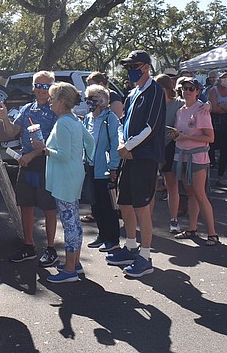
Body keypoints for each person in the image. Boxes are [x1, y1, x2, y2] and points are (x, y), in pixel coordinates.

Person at [105, 51, 166, 278]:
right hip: (129, 156)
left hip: (145, 157)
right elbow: (123, 123)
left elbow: (151, 126)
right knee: (125, 203)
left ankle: (146, 256)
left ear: (146, 67)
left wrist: (129, 146)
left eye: (135, 66)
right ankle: (131, 247)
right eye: (129, 66)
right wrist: (123, 144)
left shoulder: (155, 90)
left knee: (141, 206)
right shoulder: (132, 93)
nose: (131, 70)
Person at [31, 82, 96, 283]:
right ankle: (74, 263)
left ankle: (69, 270)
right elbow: (90, 142)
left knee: (69, 224)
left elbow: (63, 155)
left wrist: (44, 149)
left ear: (61, 101)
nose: (49, 101)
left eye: (52, 98)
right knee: (74, 221)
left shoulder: (63, 123)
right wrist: (85, 159)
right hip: (73, 175)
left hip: (65, 179)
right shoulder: (75, 120)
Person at [0, 71, 60, 267]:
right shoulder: (26, 109)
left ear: (52, 88)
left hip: (46, 163)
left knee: (49, 208)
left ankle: (51, 249)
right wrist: (4, 118)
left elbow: (54, 144)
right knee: (26, 205)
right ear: (33, 87)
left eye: (46, 86)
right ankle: (28, 246)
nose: (41, 90)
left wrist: (31, 155)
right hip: (26, 164)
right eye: (38, 86)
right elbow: (11, 132)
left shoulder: (55, 110)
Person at [170, 77, 219, 245]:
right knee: (190, 193)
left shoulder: (201, 110)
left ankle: (212, 233)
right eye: (184, 88)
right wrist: (176, 135)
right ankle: (192, 228)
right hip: (182, 156)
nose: (187, 91)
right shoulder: (180, 111)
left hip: (197, 158)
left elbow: (210, 137)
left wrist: (186, 137)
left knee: (199, 194)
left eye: (191, 89)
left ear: (197, 91)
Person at [83, 84, 121, 252]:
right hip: (90, 167)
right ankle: (102, 235)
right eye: (87, 99)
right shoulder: (87, 118)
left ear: (101, 101)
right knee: (95, 204)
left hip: (105, 169)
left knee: (108, 205)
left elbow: (115, 144)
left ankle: (112, 239)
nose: (88, 103)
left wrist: (113, 167)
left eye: (91, 99)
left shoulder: (110, 118)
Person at [154, 74, 184, 234]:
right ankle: (147, 221)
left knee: (171, 184)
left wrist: (207, 105)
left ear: (165, 88)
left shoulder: (178, 103)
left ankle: (174, 219)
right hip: (152, 148)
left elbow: (198, 106)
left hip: (170, 148)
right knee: (150, 186)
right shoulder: (152, 104)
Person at [207, 71, 227, 187]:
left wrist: (222, 106)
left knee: (225, 151)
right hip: (214, 124)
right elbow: (214, 108)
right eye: (223, 77)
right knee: (210, 149)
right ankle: (206, 176)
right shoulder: (213, 91)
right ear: (219, 79)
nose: (226, 79)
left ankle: (220, 176)